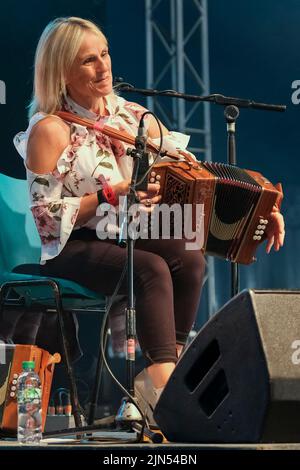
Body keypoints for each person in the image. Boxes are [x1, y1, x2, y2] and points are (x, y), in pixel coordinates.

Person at [14, 17, 285, 426]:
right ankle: (166, 386)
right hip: (74, 247)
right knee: (151, 268)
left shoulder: (134, 117)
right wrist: (112, 192)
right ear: (62, 71)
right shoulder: (50, 130)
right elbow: (44, 219)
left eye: (104, 53)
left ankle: (164, 377)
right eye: (89, 60)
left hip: (126, 236)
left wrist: (262, 210)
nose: (103, 66)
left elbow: (198, 177)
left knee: (190, 255)